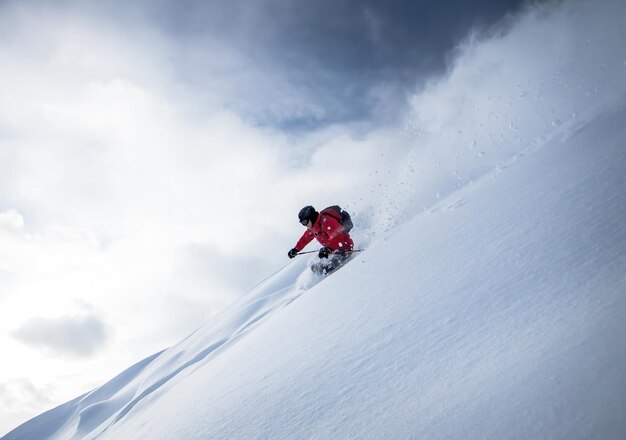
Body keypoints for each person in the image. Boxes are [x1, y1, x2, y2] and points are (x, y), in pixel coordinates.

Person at [288, 205, 354, 275]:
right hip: (333, 251)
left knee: (324, 270)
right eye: (302, 223)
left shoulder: (327, 221)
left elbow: (339, 238)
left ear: (311, 217)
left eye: (305, 222)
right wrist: (295, 249)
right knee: (317, 268)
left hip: (344, 249)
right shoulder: (313, 228)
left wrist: (328, 249)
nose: (305, 225)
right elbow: (305, 238)